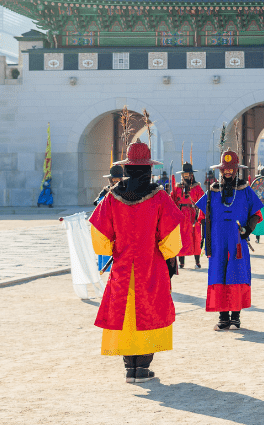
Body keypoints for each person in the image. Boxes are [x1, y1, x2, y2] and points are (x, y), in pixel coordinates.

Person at [89, 140, 183, 383]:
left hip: (122, 266)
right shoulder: (159, 197)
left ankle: (129, 368)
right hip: (150, 265)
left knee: (125, 314)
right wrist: (168, 255)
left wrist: (112, 249)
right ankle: (142, 367)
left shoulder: (112, 197)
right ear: (148, 168)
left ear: (127, 168)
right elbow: (171, 236)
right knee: (148, 311)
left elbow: (98, 232)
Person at [195, 150, 264, 331]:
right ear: (221, 170)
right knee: (218, 276)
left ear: (236, 170)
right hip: (218, 244)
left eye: (231, 169)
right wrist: (205, 241)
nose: (227, 172)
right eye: (225, 169)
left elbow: (256, 213)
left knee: (236, 276)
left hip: (237, 243)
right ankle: (223, 317)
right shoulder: (212, 191)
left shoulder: (245, 190)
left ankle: (236, 317)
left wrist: (248, 229)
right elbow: (202, 217)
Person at [171, 162, 205, 269]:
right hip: (181, 215)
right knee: (181, 237)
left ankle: (197, 262)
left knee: (196, 237)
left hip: (193, 214)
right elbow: (172, 200)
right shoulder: (177, 188)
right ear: (182, 175)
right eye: (184, 174)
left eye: (188, 174)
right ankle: (181, 262)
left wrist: (201, 212)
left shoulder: (196, 187)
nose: (186, 176)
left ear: (191, 174)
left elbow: (203, 200)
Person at [93, 164, 125, 272]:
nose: (115, 182)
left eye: (118, 180)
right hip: (108, 226)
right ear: (110, 180)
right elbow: (97, 203)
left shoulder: (126, 191)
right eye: (114, 180)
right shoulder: (106, 191)